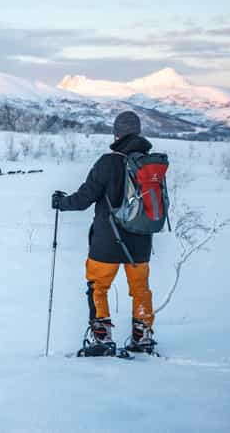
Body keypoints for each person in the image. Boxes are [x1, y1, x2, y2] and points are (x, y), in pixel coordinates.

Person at [51, 111, 157, 355]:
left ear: (116, 133)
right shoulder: (149, 165)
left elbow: (83, 198)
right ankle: (142, 337)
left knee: (98, 287)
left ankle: (101, 339)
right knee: (140, 290)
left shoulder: (107, 163)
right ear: (139, 132)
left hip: (106, 243)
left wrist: (61, 202)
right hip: (140, 242)